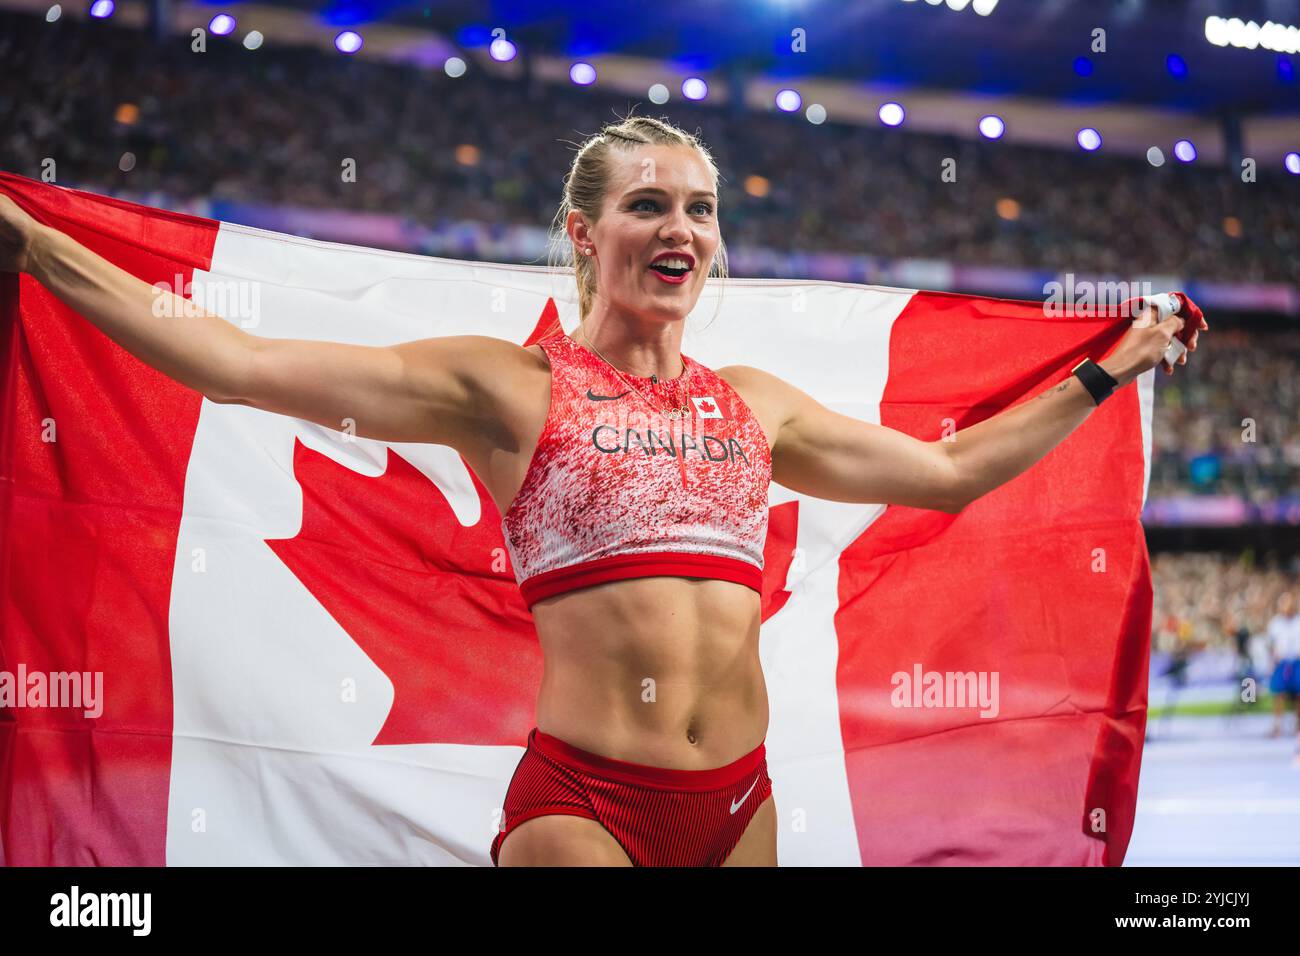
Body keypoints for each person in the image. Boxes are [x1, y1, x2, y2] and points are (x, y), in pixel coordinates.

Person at [0, 115, 1206, 866]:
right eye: (647, 204)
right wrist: (39, 244)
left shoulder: (756, 403)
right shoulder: (510, 391)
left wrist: (1111, 363)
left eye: (699, 208)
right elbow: (241, 361)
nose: (680, 225)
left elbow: (949, 473)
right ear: (583, 235)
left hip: (741, 802)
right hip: (582, 807)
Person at [1266, 590, 1300, 738]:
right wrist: (1272, 660)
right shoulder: (1275, 623)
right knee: (1278, 694)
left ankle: (1296, 725)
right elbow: (1271, 644)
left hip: (1297, 661)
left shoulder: (1298, 621)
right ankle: (1277, 725)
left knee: (1298, 695)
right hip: (1281, 662)